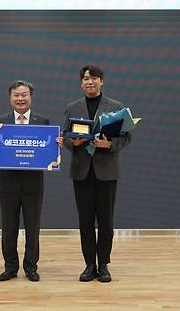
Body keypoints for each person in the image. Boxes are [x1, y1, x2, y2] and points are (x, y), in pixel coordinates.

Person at [62, 64, 132, 283]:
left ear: (101, 81)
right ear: (81, 83)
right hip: (81, 171)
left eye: (93, 78)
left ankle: (103, 265)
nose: (89, 82)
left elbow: (126, 137)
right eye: (85, 79)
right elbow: (64, 137)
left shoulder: (116, 106)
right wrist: (73, 142)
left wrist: (108, 144)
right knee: (85, 222)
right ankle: (89, 264)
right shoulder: (72, 107)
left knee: (105, 221)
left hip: (106, 171)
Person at [0, 80, 62, 282]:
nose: (20, 99)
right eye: (16, 95)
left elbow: (48, 152)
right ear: (10, 98)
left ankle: (31, 267)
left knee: (33, 227)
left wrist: (56, 145)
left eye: (24, 95)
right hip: (8, 184)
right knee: (9, 227)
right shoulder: (0, 122)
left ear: (31, 97)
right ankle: (10, 267)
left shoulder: (43, 122)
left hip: (33, 184)